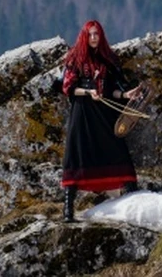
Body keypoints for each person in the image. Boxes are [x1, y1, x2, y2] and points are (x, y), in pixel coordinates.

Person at [60, 20, 140, 222]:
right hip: (82, 112)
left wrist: (125, 95)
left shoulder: (107, 58)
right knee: (76, 154)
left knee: (118, 151)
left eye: (97, 34)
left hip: (104, 112)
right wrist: (88, 92)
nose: (94, 38)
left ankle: (136, 203)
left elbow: (111, 90)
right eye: (91, 34)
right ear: (85, 36)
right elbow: (68, 88)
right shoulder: (75, 57)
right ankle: (68, 211)